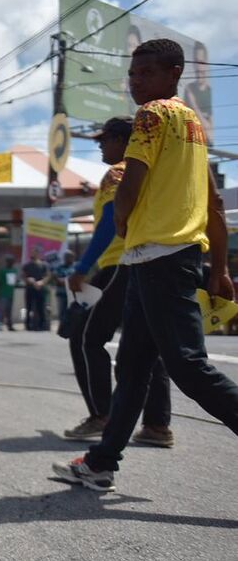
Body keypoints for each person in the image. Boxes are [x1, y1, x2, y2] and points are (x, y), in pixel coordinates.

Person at [53, 38, 238, 492]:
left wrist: (122, 219)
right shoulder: (194, 127)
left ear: (174, 74)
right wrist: (219, 268)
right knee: (133, 367)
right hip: (153, 260)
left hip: (161, 255)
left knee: (190, 367)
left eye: (147, 73)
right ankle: (101, 462)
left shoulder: (153, 116)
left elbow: (131, 181)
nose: (136, 81)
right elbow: (212, 203)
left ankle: (104, 456)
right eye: (133, 74)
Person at [63, 117, 173, 443]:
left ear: (124, 140)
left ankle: (102, 415)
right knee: (147, 344)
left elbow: (111, 221)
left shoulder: (118, 172)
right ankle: (156, 425)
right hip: (142, 264)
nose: (99, 145)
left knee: (85, 338)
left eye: (105, 138)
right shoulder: (147, 171)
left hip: (115, 266)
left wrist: (82, 267)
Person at [184, 40, 213, 146]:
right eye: (195, 62)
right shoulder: (188, 89)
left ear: (206, 64)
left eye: (201, 62)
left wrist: (194, 105)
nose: (198, 68)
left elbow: (210, 135)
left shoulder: (209, 92)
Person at [21, 247, 49, 331]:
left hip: (40, 289)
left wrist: (41, 282)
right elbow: (23, 276)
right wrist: (28, 280)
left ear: (38, 254)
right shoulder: (27, 265)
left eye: (35, 253)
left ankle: (42, 325)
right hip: (30, 288)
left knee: (41, 308)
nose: (34, 254)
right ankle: (28, 325)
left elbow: (47, 276)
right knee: (29, 307)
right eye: (32, 252)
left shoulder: (44, 265)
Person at [53, 250, 76, 327]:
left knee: (72, 311)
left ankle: (71, 326)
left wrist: (66, 281)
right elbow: (57, 279)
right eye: (67, 257)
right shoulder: (59, 267)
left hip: (73, 293)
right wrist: (69, 280)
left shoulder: (76, 267)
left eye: (70, 257)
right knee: (62, 311)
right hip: (61, 293)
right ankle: (62, 327)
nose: (69, 258)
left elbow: (78, 279)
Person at [0, 254, 17, 331]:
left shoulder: (14, 270)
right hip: (3, 293)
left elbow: (14, 282)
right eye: (9, 261)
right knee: (2, 309)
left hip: (11, 293)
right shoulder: (2, 270)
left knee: (9, 310)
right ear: (6, 262)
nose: (10, 262)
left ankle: (9, 325)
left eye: (12, 261)